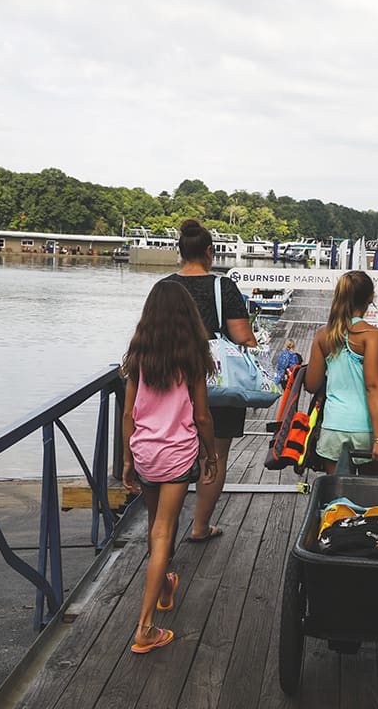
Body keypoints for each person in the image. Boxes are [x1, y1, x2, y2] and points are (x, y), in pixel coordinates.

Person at [120, 280, 217, 654]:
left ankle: (164, 588)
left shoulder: (140, 356)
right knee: (164, 530)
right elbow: (203, 415)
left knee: (154, 524)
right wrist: (212, 455)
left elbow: (129, 413)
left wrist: (128, 459)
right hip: (177, 452)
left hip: (144, 451)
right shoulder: (192, 357)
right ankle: (144, 628)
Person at [163, 219, 258, 541]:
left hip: (171, 380)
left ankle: (165, 527)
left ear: (180, 251)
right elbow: (243, 338)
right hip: (218, 382)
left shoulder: (164, 287)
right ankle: (200, 526)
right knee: (213, 455)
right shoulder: (224, 287)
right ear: (209, 251)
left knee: (171, 449)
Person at [304, 270, 378, 475]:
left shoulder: (323, 335)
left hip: (335, 426)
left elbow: (311, 384)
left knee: (337, 499)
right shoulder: (371, 335)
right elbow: (372, 386)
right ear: (370, 297)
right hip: (368, 429)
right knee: (372, 501)